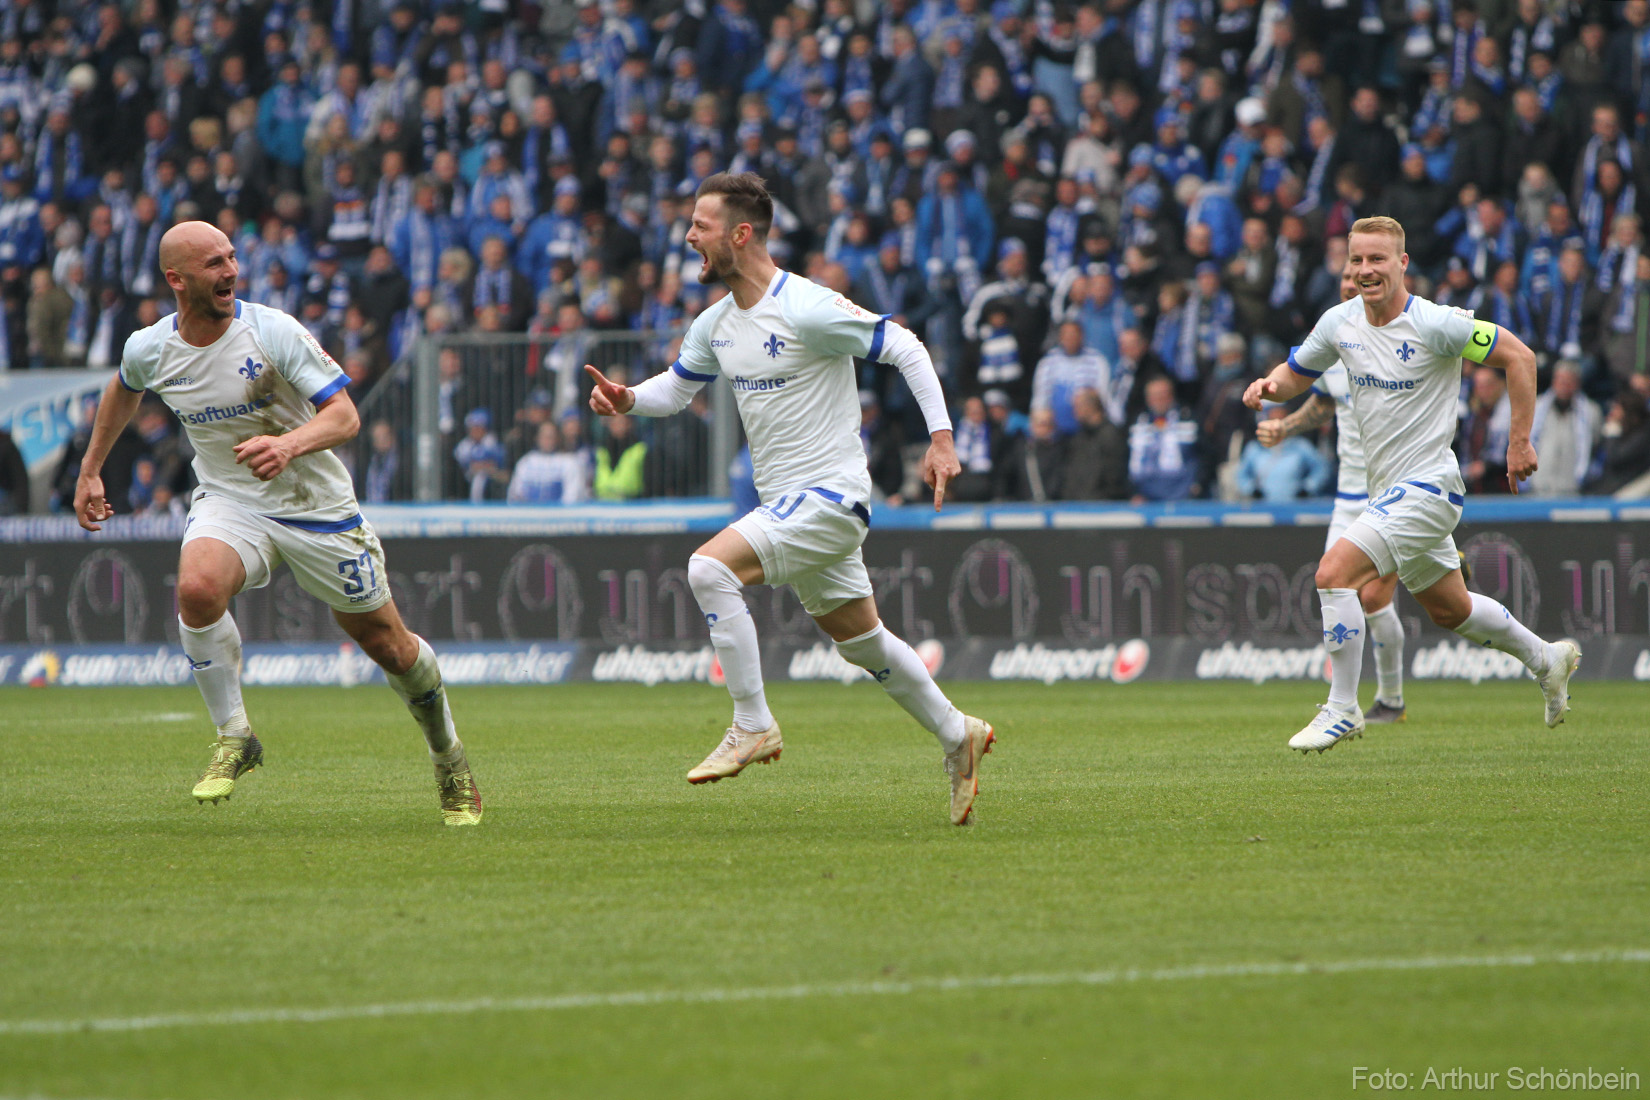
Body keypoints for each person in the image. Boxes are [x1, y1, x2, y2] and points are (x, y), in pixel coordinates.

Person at [585, 172, 993, 826]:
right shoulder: (716, 325)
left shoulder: (806, 306)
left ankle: (752, 724)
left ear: (740, 234)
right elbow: (676, 389)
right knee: (861, 643)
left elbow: (907, 348)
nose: (689, 235)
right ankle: (957, 734)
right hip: (793, 508)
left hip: (830, 496)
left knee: (708, 568)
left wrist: (940, 441)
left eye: (702, 226)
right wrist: (629, 398)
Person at [72, 221, 481, 826]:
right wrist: (90, 470)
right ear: (176, 279)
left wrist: (288, 446)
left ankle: (449, 757)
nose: (231, 271)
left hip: (315, 506)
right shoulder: (150, 347)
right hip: (230, 499)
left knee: (389, 647)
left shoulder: (271, 331)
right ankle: (235, 736)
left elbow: (344, 417)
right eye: (214, 263)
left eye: (232, 257)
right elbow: (124, 389)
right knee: (196, 589)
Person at [1245, 216, 1580, 753]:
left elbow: (1520, 357)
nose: (1365, 270)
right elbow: (1295, 373)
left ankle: (1343, 708)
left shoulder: (1437, 323)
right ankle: (1547, 658)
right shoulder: (1339, 322)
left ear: (1401, 264)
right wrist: (1268, 387)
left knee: (1333, 574)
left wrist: (1520, 441)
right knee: (1451, 609)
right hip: (1386, 494)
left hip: (1429, 487)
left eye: (1377, 259)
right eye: (1357, 260)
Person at [1256, 265, 1410, 722]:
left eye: (1357, 275)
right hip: (1347, 496)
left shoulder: (1403, 335)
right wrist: (1285, 425)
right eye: (1344, 277)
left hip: (1394, 491)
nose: (1350, 283)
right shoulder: (1333, 339)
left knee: (1376, 599)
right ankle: (1350, 703)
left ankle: (1387, 700)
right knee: (1335, 589)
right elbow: (1325, 401)